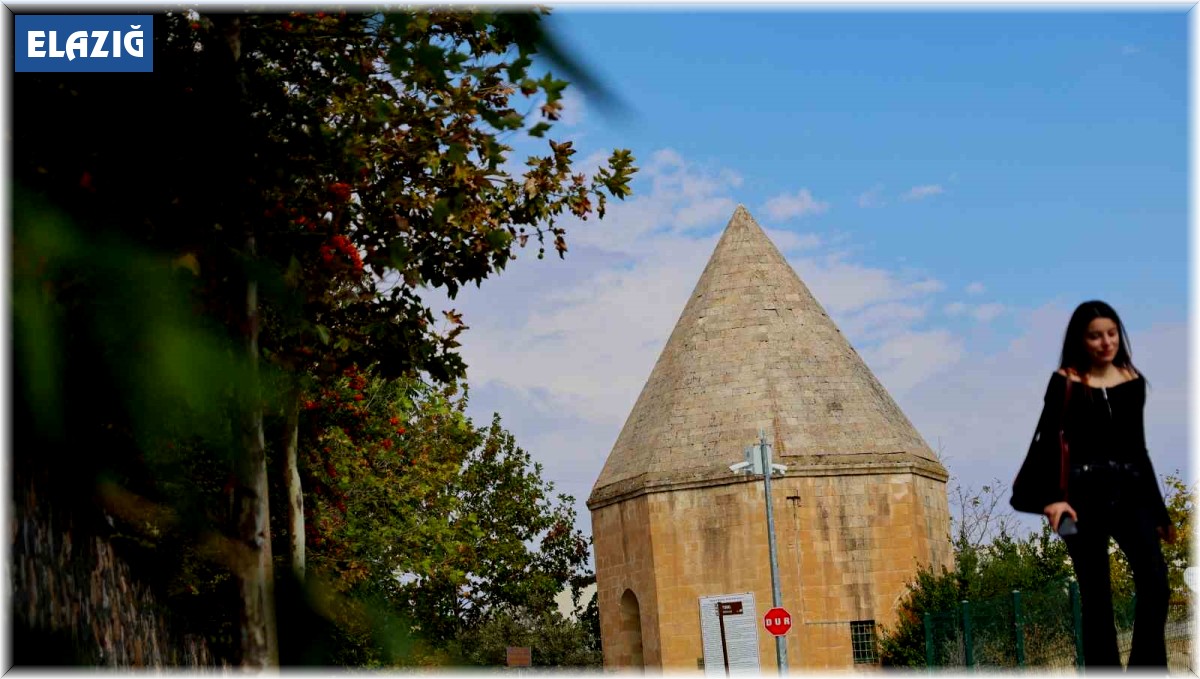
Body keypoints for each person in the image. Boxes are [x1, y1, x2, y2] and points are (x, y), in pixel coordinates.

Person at [1011, 300, 1175, 670]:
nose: (1106, 342)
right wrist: (1053, 500)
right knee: (1097, 595)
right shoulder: (1065, 381)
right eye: (1096, 336)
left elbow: (1139, 449)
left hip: (1130, 491)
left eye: (1112, 333)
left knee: (1156, 581)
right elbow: (1049, 442)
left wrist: (1159, 511)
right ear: (1080, 340)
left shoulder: (1133, 382)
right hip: (1079, 498)